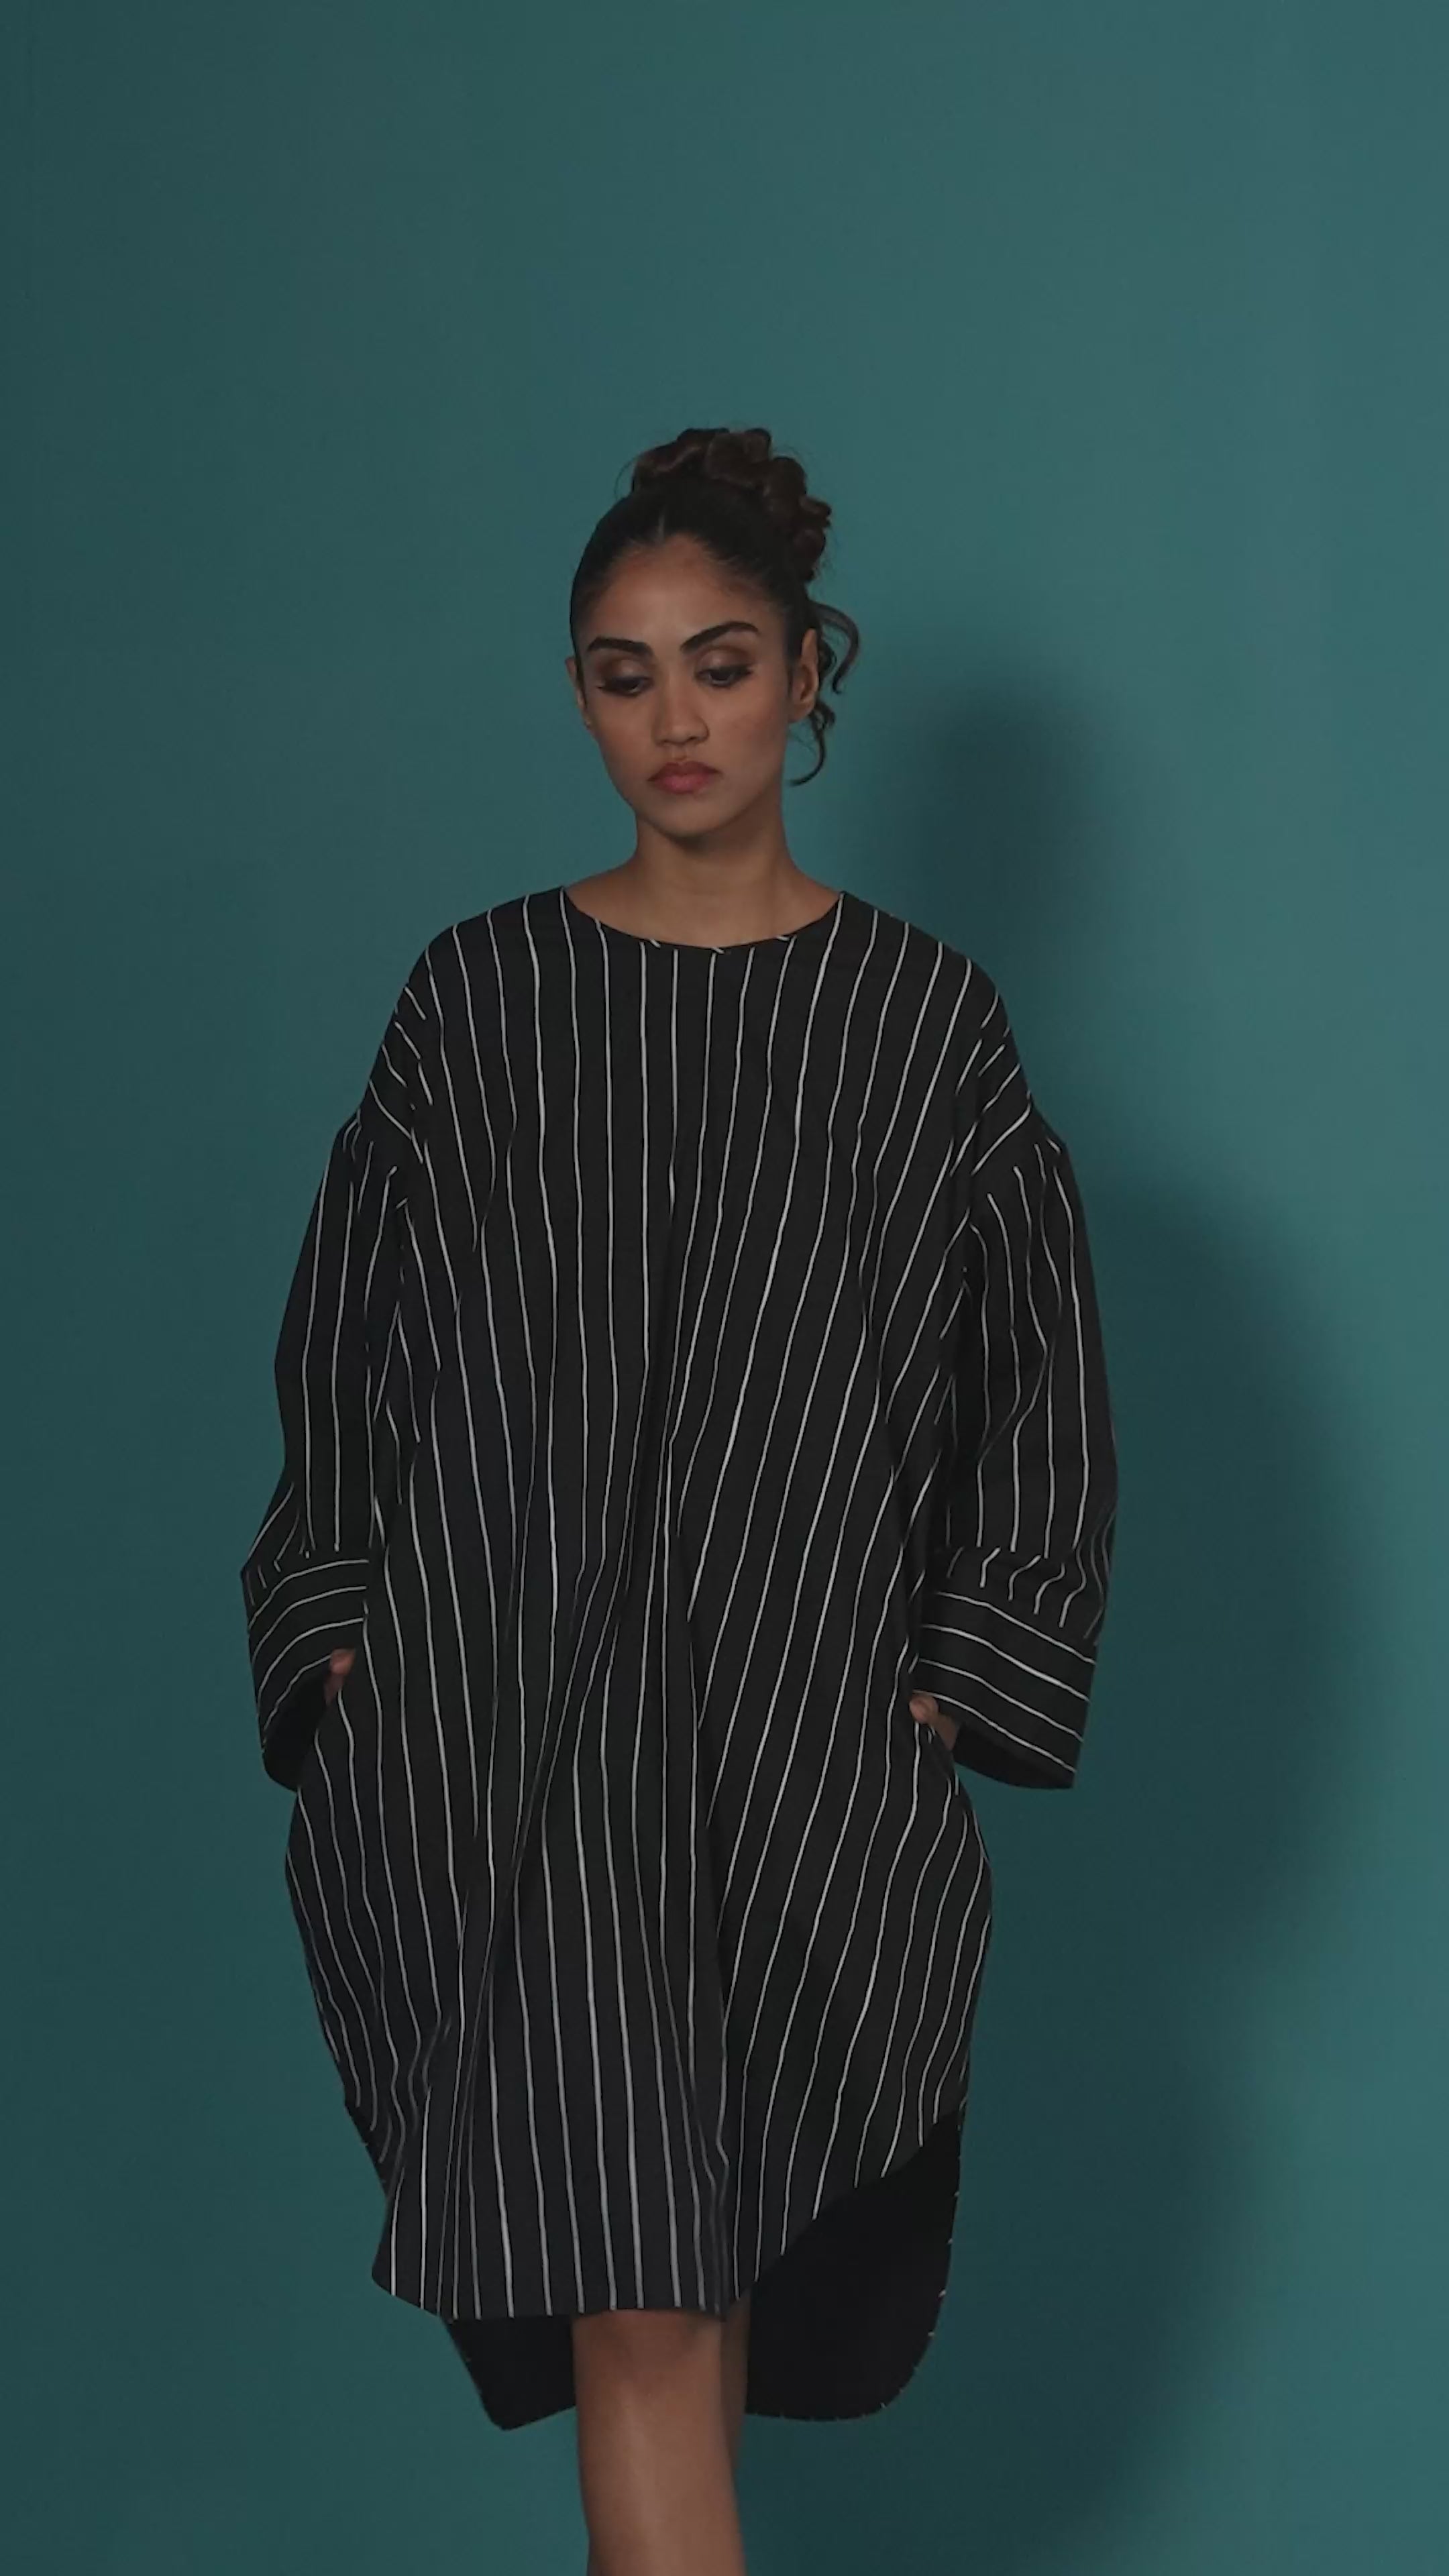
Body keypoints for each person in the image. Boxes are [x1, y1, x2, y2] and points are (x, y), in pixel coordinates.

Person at [238, 423, 1118, 2575]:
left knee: (698, 2287)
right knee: (640, 2305)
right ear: (577, 697)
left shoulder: (922, 1027)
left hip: (806, 1762)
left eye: (721, 664)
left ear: (809, 672)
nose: (676, 719)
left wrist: (961, 1675)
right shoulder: (479, 1001)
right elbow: (345, 1351)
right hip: (512, 1757)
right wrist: (340, 1640)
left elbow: (1043, 1382)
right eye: (623, 674)